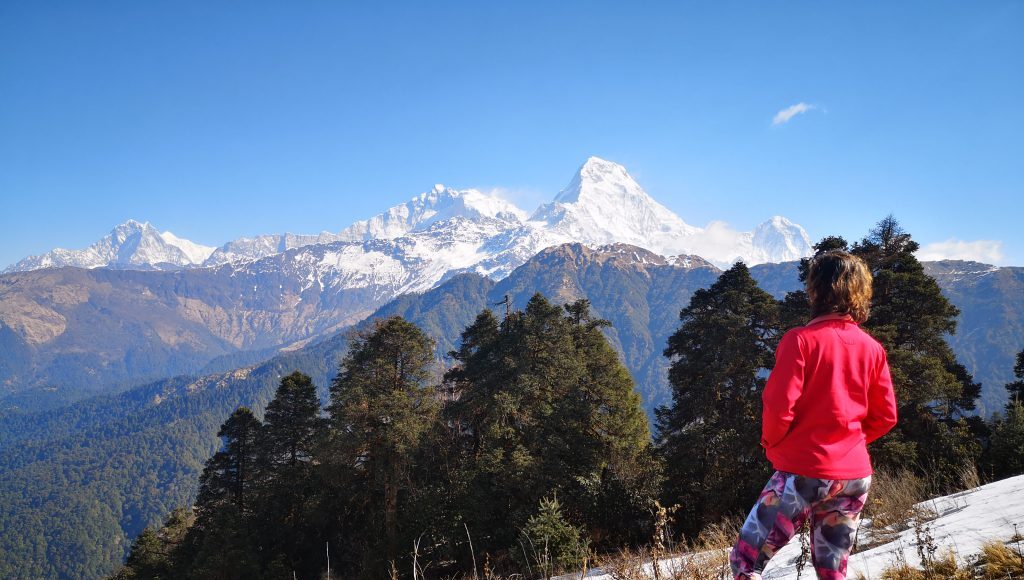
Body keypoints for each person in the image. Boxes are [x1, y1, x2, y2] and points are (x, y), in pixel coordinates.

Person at [729, 250, 898, 580]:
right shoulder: (872, 348)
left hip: (803, 472)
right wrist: (850, 443)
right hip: (854, 476)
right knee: (832, 570)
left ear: (816, 289)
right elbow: (886, 415)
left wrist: (773, 444)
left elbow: (779, 408)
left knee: (746, 562)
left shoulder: (800, 341)